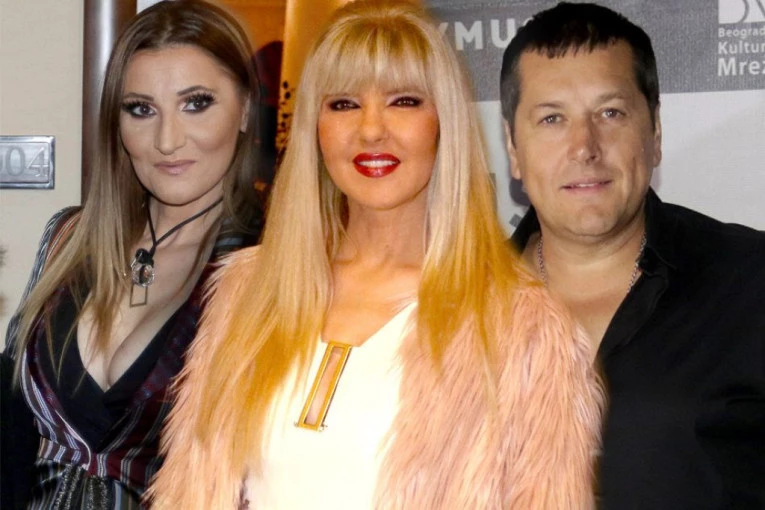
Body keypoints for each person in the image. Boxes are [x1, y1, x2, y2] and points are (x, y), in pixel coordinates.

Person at [150, 1, 604, 508]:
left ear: (444, 122)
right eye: (344, 104)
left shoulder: (523, 328)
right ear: (314, 126)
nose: (370, 130)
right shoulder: (248, 292)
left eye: (403, 101)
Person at [500, 2, 765, 508]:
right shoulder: (454, 306)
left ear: (655, 132)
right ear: (513, 149)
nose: (585, 146)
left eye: (611, 113)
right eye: (552, 118)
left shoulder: (752, 283)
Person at [0, 0, 264, 507]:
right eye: (141, 109)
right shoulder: (69, 239)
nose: (167, 140)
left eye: (196, 103)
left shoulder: (272, 262)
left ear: (245, 109)